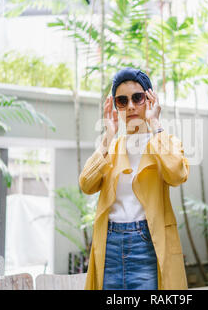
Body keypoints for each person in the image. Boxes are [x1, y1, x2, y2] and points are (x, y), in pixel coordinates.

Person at [79, 67, 190, 290]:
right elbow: (86, 184)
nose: (130, 106)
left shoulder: (165, 142)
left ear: (149, 100)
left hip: (148, 245)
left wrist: (155, 124)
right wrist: (108, 135)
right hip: (109, 247)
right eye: (122, 100)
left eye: (137, 98)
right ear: (116, 106)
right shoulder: (111, 147)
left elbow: (177, 174)